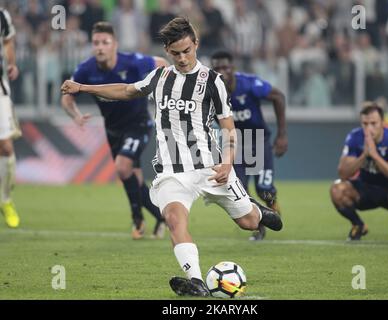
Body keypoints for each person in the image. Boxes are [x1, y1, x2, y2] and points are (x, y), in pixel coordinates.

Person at [61, 17, 283, 297]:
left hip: (211, 167)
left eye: (187, 51)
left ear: (196, 45)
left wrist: (228, 161)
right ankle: (197, 282)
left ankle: (259, 210)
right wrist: (82, 88)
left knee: (248, 222)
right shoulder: (160, 77)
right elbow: (127, 90)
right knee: (174, 220)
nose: (182, 58)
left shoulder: (213, 82)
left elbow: (229, 128)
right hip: (172, 171)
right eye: (176, 53)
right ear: (167, 50)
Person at [61, 22, 168, 240]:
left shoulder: (133, 62)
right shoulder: (86, 69)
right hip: (113, 130)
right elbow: (66, 95)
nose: (100, 47)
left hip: (138, 124)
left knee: (122, 166)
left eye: (105, 42)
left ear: (114, 45)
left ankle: (137, 219)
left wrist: (164, 95)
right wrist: (76, 116)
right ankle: (161, 217)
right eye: (96, 43)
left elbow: (163, 64)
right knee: (133, 178)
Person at [211, 50, 288, 241]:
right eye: (217, 68)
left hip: (258, 140)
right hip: (234, 145)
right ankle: (259, 227)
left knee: (264, 188)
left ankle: (272, 208)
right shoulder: (209, 90)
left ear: (233, 68)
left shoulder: (249, 83)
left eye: (225, 67)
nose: (222, 72)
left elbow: (278, 96)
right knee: (240, 191)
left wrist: (282, 135)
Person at [330, 102, 388, 241]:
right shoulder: (354, 137)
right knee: (337, 190)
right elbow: (343, 173)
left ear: (382, 123)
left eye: (373, 123)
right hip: (365, 188)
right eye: (365, 123)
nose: (369, 128)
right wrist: (364, 155)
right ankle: (358, 225)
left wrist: (375, 156)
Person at [0, 7, 21, 228]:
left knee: (6, 147)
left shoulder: (2, 15)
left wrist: (12, 62)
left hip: (0, 91)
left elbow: (7, 41)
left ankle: (6, 201)